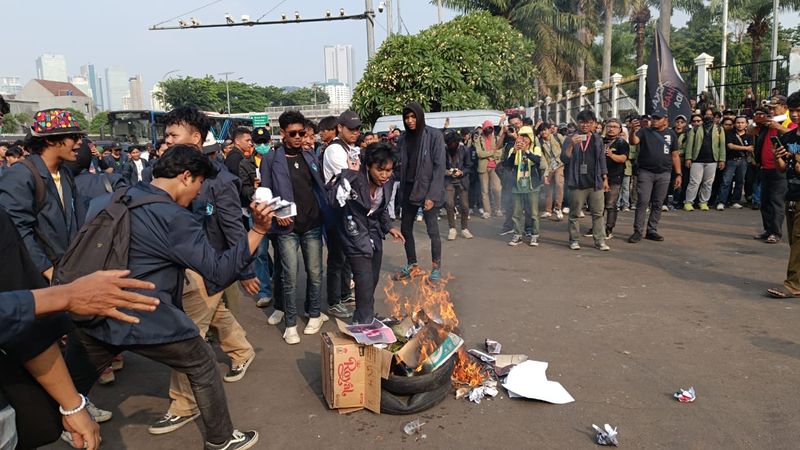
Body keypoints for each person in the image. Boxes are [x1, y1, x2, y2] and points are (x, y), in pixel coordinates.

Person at [64, 146, 268, 450]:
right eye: (199, 184)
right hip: (142, 315)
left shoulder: (111, 198)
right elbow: (217, 271)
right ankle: (221, 439)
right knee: (202, 364)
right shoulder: (173, 217)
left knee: (68, 386)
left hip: (93, 309)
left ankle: (60, 426)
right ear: (186, 177)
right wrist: (259, 230)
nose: (199, 194)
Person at [148, 107, 259, 437]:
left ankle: (184, 404)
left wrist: (246, 269)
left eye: (173, 135)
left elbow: (234, 229)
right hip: (176, 267)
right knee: (216, 312)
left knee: (187, 335)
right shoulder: (163, 172)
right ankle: (242, 350)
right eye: (165, 136)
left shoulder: (219, 180)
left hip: (206, 266)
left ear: (195, 138)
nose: (166, 141)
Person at [260, 110, 329, 344]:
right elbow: (266, 192)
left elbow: (318, 187)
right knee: (289, 275)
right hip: (287, 227)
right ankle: (290, 323)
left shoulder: (309, 156)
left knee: (315, 273)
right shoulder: (271, 159)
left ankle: (315, 313)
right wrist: (278, 214)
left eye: (302, 133)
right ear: (282, 134)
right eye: (294, 133)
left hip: (312, 224)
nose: (299, 137)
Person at [0, 109, 82, 283]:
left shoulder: (65, 173)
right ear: (50, 139)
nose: (79, 142)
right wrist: (48, 272)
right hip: (40, 279)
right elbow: (18, 230)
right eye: (74, 137)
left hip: (67, 273)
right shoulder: (20, 175)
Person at [327, 142, 405, 323]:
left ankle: (364, 315)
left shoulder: (388, 181)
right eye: (380, 170)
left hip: (374, 233)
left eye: (389, 170)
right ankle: (364, 322)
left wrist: (389, 227)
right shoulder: (354, 177)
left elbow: (381, 208)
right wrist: (349, 174)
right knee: (364, 280)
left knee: (372, 279)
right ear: (368, 166)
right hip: (353, 233)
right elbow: (332, 200)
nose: (385, 175)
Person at [395, 102, 446, 283]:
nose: (410, 121)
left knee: (433, 231)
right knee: (405, 228)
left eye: (413, 117)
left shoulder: (433, 135)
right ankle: (412, 265)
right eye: (406, 118)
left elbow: (440, 167)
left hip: (426, 189)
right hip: (408, 189)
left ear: (420, 116)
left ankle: (436, 268)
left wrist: (432, 195)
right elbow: (397, 165)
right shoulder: (402, 139)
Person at [322, 111, 362, 319]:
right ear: (340, 128)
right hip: (336, 211)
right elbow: (350, 177)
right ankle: (334, 301)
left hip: (348, 210)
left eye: (357, 129)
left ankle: (345, 294)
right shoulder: (335, 150)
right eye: (351, 129)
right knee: (337, 257)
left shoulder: (350, 148)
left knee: (346, 256)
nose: (355, 133)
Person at [627, 109, 682, 243]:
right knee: (643, 201)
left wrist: (679, 174)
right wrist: (633, 131)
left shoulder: (671, 134)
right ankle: (638, 231)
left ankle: (652, 230)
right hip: (646, 172)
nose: (654, 121)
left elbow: (675, 155)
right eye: (653, 118)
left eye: (658, 118)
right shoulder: (644, 131)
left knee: (658, 203)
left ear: (666, 120)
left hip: (664, 173)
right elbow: (634, 141)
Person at [560, 110, 610, 251]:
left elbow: (601, 160)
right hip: (577, 182)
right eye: (582, 122)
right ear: (578, 123)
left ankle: (600, 240)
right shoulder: (570, 138)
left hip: (595, 182)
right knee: (574, 213)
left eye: (588, 122)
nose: (585, 125)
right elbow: (564, 159)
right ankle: (574, 240)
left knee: (598, 213)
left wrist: (605, 178)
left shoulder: (597, 139)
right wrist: (571, 144)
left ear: (594, 123)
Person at [767, 90, 800, 298]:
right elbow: (782, 168)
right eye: (793, 110)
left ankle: (793, 285)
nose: (795, 115)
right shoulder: (787, 137)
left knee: (798, 239)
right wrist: (779, 157)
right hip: (792, 194)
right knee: (794, 241)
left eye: (799, 110)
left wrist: (797, 160)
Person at [754, 95, 797, 243]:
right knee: (764, 201)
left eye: (774, 107)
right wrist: (758, 122)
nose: (771, 110)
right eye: (770, 108)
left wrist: (777, 126)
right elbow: (749, 131)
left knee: (776, 201)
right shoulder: (768, 122)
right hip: (765, 167)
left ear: (784, 108)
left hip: (780, 169)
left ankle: (776, 232)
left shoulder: (790, 122)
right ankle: (768, 230)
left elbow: (793, 136)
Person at [247, 127, 273, 309]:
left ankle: (281, 287)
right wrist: (252, 188)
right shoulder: (246, 163)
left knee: (281, 253)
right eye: (259, 143)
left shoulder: (278, 159)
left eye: (265, 142)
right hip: (256, 213)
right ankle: (265, 291)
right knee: (260, 253)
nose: (262, 145)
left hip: (275, 211)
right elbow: (240, 188)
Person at [507, 126, 545, 246]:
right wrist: (514, 151)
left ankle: (535, 235)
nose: (523, 139)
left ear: (530, 138)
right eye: (521, 136)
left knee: (533, 212)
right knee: (516, 212)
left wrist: (526, 151)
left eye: (525, 137)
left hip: (532, 184)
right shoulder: (513, 149)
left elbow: (538, 161)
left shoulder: (536, 148)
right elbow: (508, 164)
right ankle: (517, 235)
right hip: (517, 184)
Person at [683, 108, 726, 211]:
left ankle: (703, 202)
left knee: (708, 183)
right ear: (703, 116)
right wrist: (688, 158)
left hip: (712, 160)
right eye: (706, 115)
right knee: (694, 182)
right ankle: (688, 202)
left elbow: (722, 145)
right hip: (697, 159)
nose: (709, 117)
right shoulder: (695, 129)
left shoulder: (719, 129)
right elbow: (689, 145)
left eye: (711, 115)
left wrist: (722, 159)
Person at [599, 119, 629, 238]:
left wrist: (611, 155)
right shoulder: (600, 141)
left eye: (615, 127)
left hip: (615, 176)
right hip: (599, 176)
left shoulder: (622, 143)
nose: (611, 129)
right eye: (609, 126)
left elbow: (623, 158)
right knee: (597, 204)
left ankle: (609, 228)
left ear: (620, 129)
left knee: (610, 204)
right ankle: (597, 226)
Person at [717, 115, 754, 210]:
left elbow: (752, 148)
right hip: (731, 160)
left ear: (746, 124)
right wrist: (746, 148)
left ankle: (735, 201)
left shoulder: (750, 135)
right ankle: (722, 202)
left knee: (740, 182)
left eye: (742, 123)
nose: (740, 124)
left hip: (743, 161)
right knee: (726, 181)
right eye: (738, 122)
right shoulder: (729, 133)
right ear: (734, 124)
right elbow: (730, 146)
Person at [443, 130, 473, 240]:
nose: (452, 146)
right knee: (449, 204)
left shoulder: (464, 150)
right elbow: (438, 166)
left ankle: (464, 228)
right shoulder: (443, 151)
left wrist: (462, 172)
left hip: (462, 180)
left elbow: (469, 166)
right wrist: (446, 172)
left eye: (454, 144)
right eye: (449, 144)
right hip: (448, 180)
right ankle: (452, 229)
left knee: (465, 206)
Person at [475, 119, 503, 219]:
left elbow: (500, 152)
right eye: (487, 128)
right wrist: (492, 152)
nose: (489, 129)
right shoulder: (478, 139)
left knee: (497, 189)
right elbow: (479, 153)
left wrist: (489, 154)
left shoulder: (496, 138)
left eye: (490, 128)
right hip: (483, 167)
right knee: (484, 191)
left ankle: (498, 208)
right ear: (483, 128)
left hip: (495, 167)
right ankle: (487, 211)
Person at [539, 122, 565, 221]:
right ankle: (548, 210)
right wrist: (546, 173)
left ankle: (558, 208)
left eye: (545, 129)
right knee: (547, 186)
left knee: (559, 183)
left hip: (560, 164)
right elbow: (542, 158)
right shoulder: (540, 142)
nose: (543, 132)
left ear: (550, 129)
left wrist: (566, 160)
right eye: (541, 130)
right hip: (549, 166)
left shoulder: (558, 137)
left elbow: (566, 147)